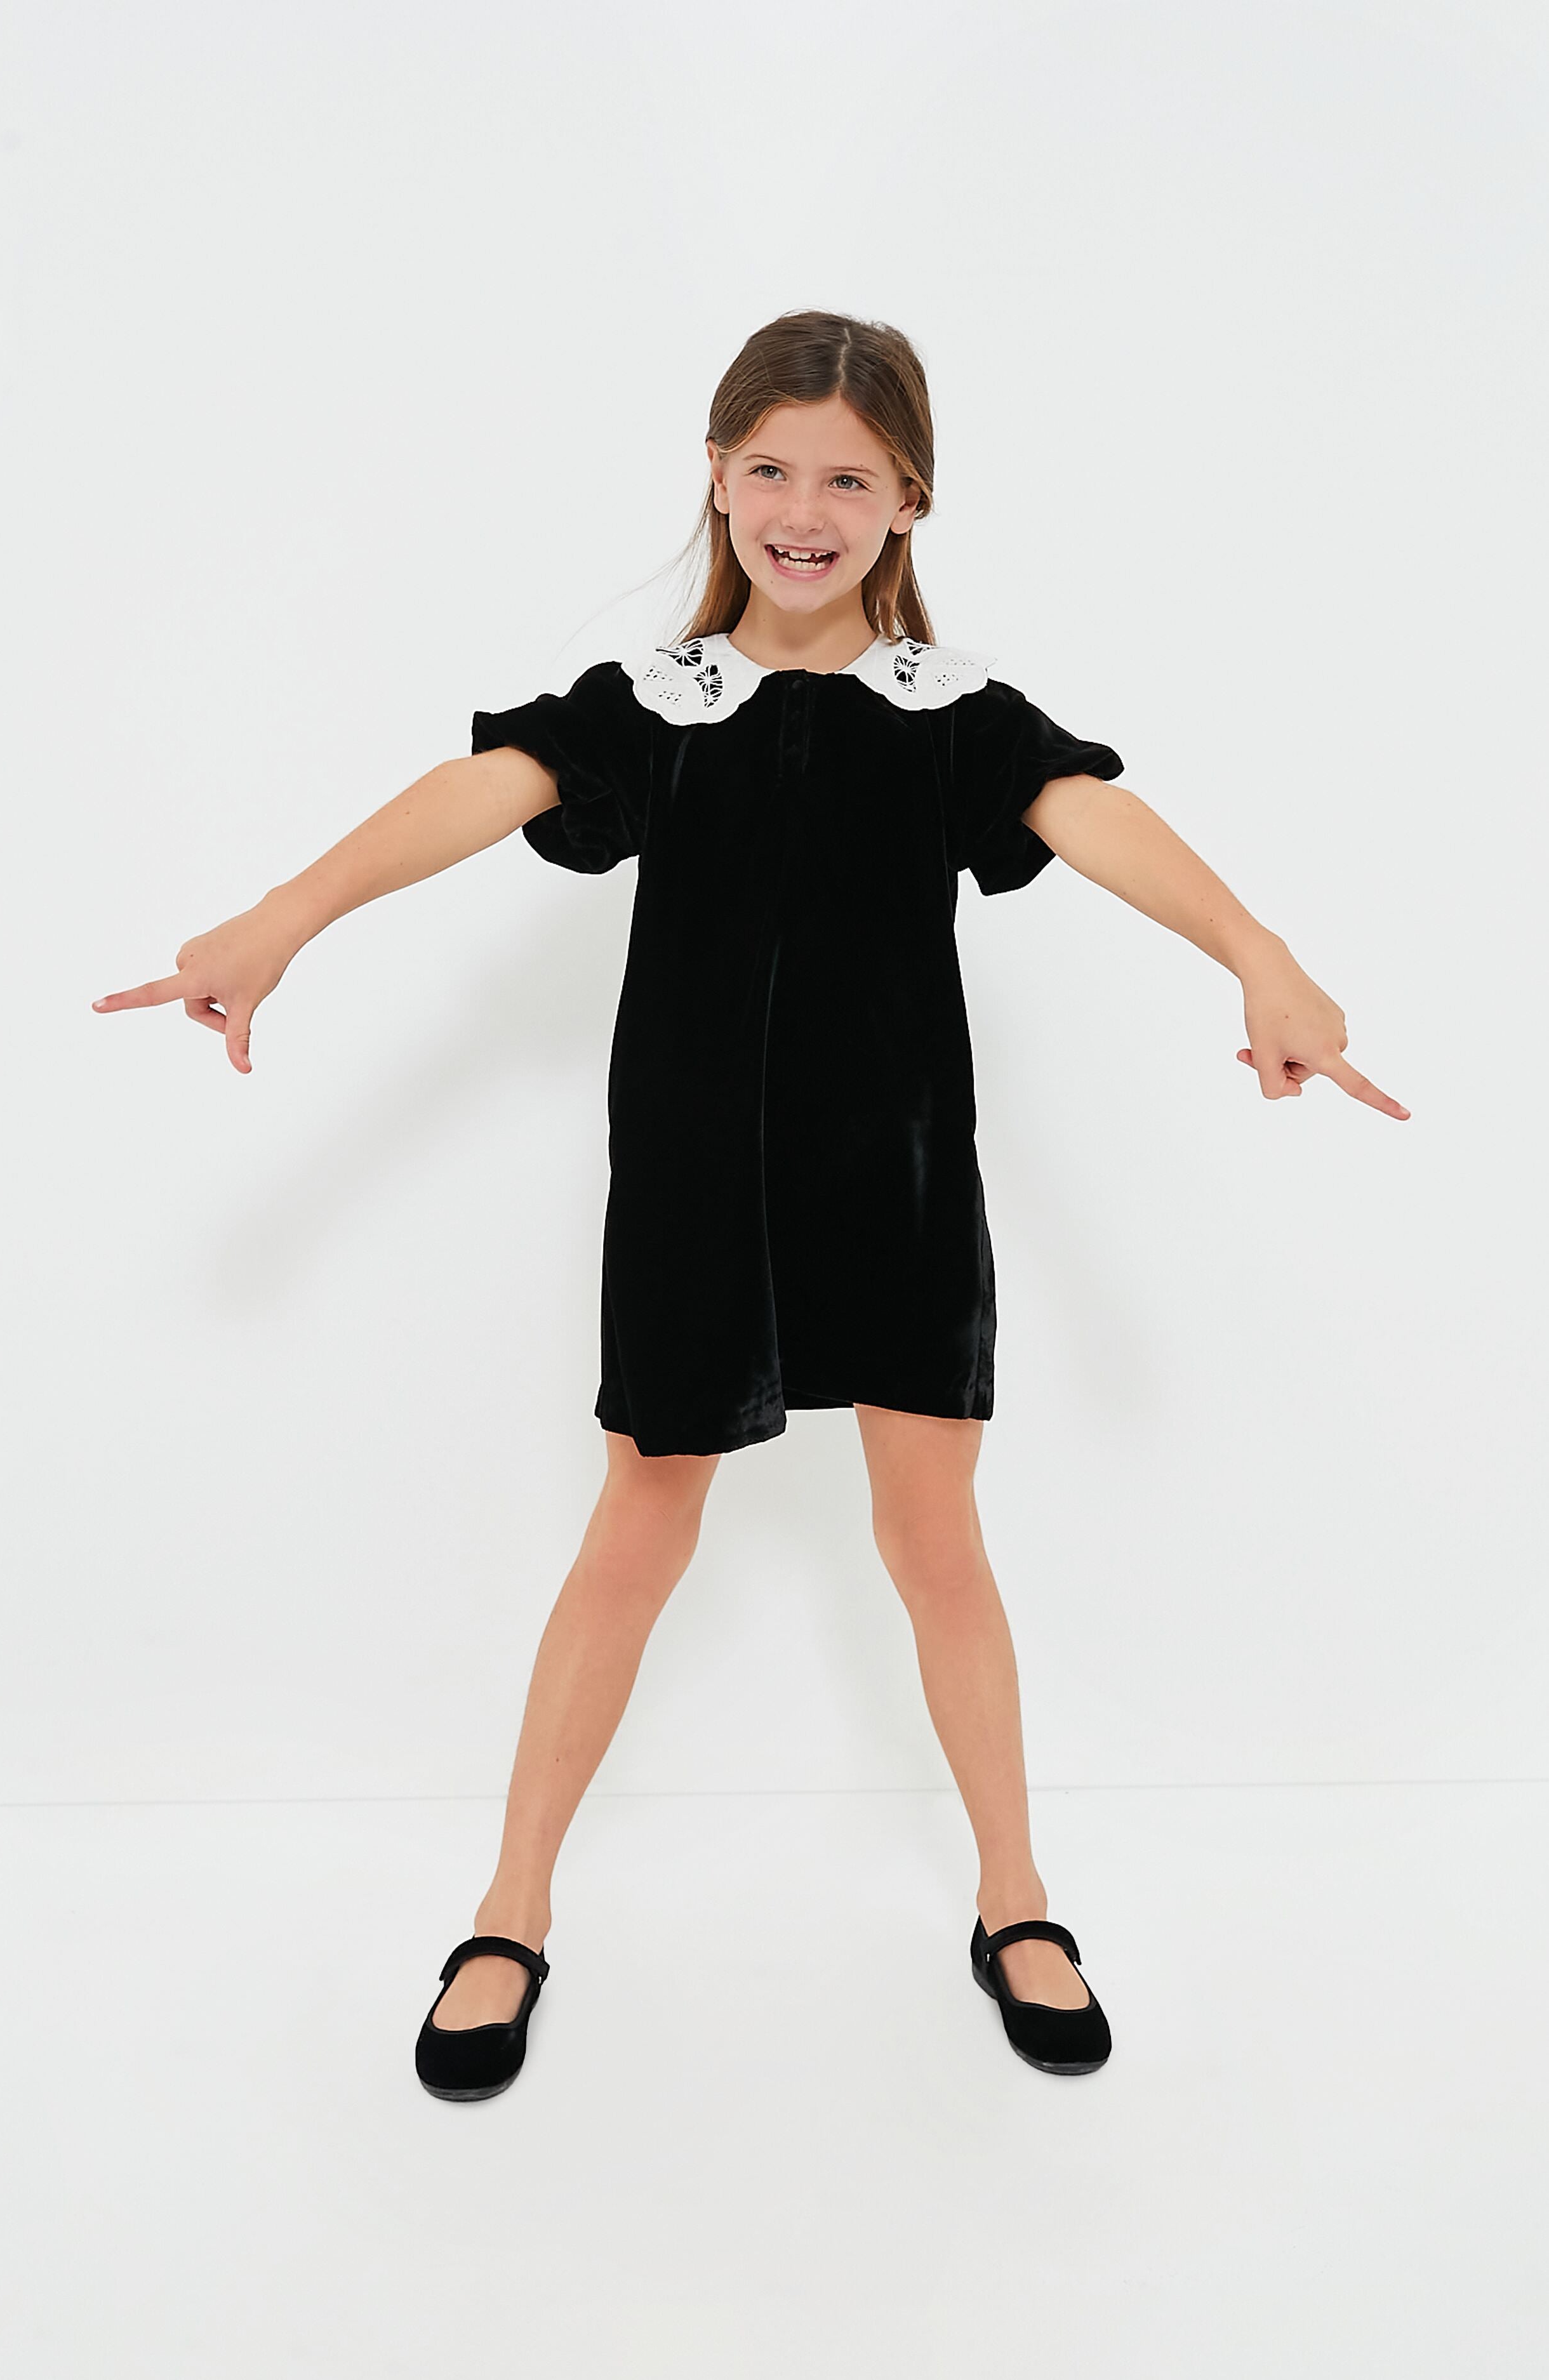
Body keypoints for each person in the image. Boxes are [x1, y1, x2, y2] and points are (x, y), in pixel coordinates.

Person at [93, 308, 1409, 2103]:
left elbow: (1095, 817)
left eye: (849, 480)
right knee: (638, 1527)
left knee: (935, 1540)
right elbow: (475, 792)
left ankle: (1015, 1897)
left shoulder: (952, 720)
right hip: (699, 1192)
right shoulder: (656, 707)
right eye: (772, 469)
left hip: (899, 1187)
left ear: (909, 501)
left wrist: (1259, 954)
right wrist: (281, 919)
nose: (804, 510)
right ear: (716, 476)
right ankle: (508, 1909)